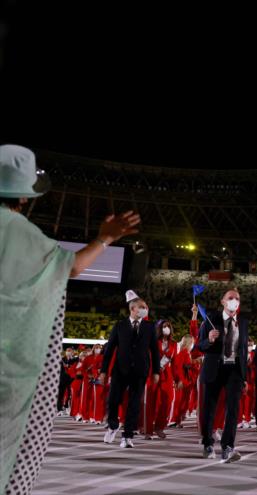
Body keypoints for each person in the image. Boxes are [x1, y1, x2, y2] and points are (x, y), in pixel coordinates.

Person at [0, 144, 141, 494]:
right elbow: (72, 267)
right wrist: (105, 238)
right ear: (24, 198)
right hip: (13, 372)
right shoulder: (22, 233)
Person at [99, 291, 160, 448]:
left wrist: (156, 372)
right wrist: (103, 371)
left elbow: (155, 350)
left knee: (134, 404)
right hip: (120, 369)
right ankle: (113, 425)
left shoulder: (149, 327)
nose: (145, 309)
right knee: (113, 400)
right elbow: (110, 349)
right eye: (142, 307)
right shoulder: (119, 325)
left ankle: (127, 436)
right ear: (133, 309)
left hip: (140, 370)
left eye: (146, 307)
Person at [197, 289, 249, 463]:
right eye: (231, 298)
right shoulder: (211, 320)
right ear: (223, 302)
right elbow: (200, 346)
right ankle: (208, 443)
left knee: (233, 409)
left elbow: (243, 351)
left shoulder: (242, 322)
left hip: (234, 370)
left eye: (237, 299)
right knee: (209, 408)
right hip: (214, 368)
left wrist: (244, 377)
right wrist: (209, 340)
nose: (234, 301)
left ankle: (228, 447)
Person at [144, 320, 177, 439]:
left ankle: (159, 427)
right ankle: (148, 430)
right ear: (159, 328)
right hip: (153, 373)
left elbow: (175, 362)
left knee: (167, 401)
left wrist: (177, 379)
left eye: (168, 326)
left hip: (167, 375)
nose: (166, 328)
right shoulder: (153, 341)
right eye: (164, 326)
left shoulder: (173, 344)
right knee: (150, 402)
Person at [170, 334, 195, 428]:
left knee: (184, 401)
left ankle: (178, 420)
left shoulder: (187, 353)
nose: (193, 344)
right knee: (179, 401)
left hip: (186, 381)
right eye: (192, 342)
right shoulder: (183, 353)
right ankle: (174, 420)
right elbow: (179, 368)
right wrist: (180, 380)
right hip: (183, 381)